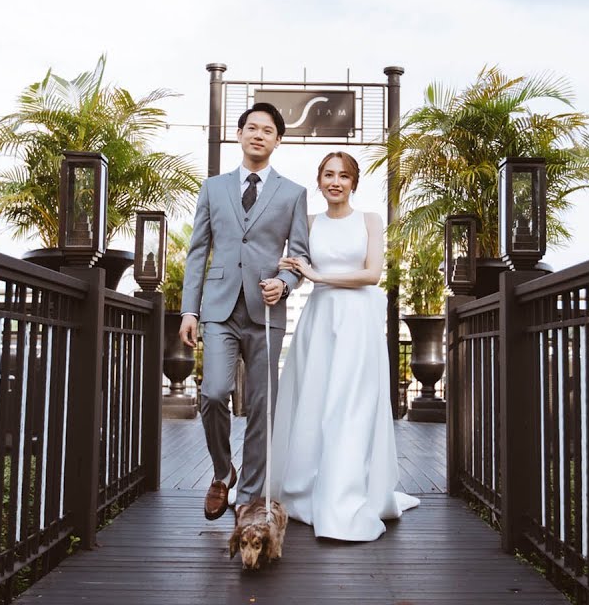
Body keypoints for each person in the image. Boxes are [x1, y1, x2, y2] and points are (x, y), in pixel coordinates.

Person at [270, 151, 419, 541]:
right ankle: (306, 489)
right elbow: (292, 265)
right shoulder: (308, 222)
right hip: (319, 320)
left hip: (357, 321)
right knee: (314, 402)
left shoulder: (370, 220)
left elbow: (372, 274)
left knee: (350, 405)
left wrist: (318, 275)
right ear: (319, 180)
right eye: (329, 175)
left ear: (354, 182)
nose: (335, 182)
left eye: (344, 176)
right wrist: (284, 272)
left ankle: (345, 495)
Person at [179, 102, 310, 520]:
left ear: (278, 140)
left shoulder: (293, 194)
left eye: (267, 130)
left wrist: (284, 284)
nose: (258, 135)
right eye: (251, 128)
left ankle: (249, 496)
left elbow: (300, 255)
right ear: (239, 135)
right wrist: (189, 311)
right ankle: (223, 472)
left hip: (266, 313)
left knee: (261, 405)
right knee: (213, 393)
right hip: (219, 309)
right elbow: (197, 252)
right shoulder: (213, 188)